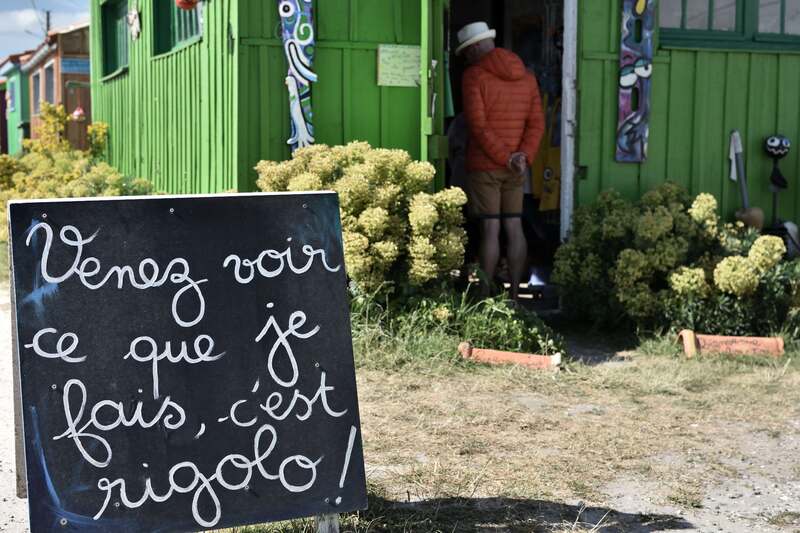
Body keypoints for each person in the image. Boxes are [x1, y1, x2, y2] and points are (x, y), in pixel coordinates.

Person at [457, 21, 545, 301]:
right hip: (517, 167)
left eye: (467, 51)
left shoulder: (474, 76)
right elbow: (536, 124)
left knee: (490, 228)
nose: (467, 57)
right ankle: (517, 296)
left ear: (476, 48)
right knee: (514, 226)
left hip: (485, 166)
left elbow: (478, 126)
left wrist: (505, 158)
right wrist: (522, 157)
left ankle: (484, 295)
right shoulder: (527, 77)